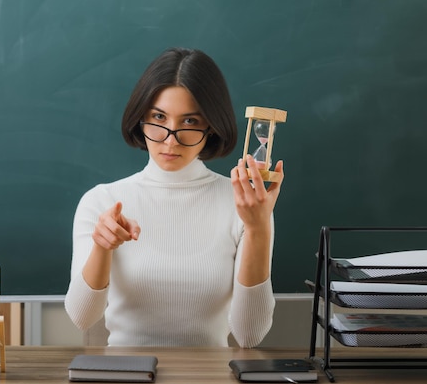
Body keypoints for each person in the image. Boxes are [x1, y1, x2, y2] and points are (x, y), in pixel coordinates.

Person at [64, 47, 284, 347]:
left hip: (209, 377)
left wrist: (258, 228)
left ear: (212, 126)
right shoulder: (102, 200)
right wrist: (102, 247)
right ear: (141, 117)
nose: (170, 139)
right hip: (125, 375)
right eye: (158, 117)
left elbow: (249, 335)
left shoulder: (245, 205)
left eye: (190, 122)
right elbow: (81, 318)